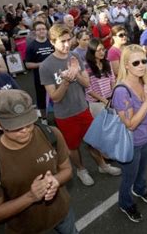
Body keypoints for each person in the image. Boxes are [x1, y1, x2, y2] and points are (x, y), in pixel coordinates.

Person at [0, 89, 79, 234]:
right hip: (26, 230)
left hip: (63, 215)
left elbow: (67, 170)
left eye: (29, 123)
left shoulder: (51, 134)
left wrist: (56, 180)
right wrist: (31, 196)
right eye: (15, 126)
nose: (25, 130)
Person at [40, 24, 121, 186]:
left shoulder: (75, 57)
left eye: (68, 40)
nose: (66, 44)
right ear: (52, 42)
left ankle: (102, 165)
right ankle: (81, 170)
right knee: (73, 147)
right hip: (64, 115)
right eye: (62, 41)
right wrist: (66, 81)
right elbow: (55, 98)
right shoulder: (46, 66)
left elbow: (86, 83)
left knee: (93, 141)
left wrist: (75, 72)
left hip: (83, 109)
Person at [113, 44, 147, 223]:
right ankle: (125, 202)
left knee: (142, 170)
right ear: (126, 65)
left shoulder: (144, 82)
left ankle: (140, 189)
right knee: (128, 177)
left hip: (146, 137)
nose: (141, 65)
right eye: (136, 62)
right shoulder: (122, 91)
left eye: (144, 61)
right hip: (131, 142)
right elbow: (130, 125)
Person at [25, 21, 54, 119]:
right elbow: (27, 65)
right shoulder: (31, 46)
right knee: (41, 98)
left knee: (57, 95)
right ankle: (44, 118)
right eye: (39, 29)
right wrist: (41, 64)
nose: (41, 31)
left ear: (46, 30)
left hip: (55, 74)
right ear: (35, 32)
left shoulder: (52, 42)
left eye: (43, 29)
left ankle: (59, 115)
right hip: (40, 77)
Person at [85, 38, 115, 117]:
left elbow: (112, 80)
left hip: (109, 99)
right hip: (97, 103)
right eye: (99, 50)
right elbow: (88, 89)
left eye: (103, 49)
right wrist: (104, 100)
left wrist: (113, 96)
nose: (102, 52)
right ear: (92, 51)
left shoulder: (107, 62)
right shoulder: (86, 67)